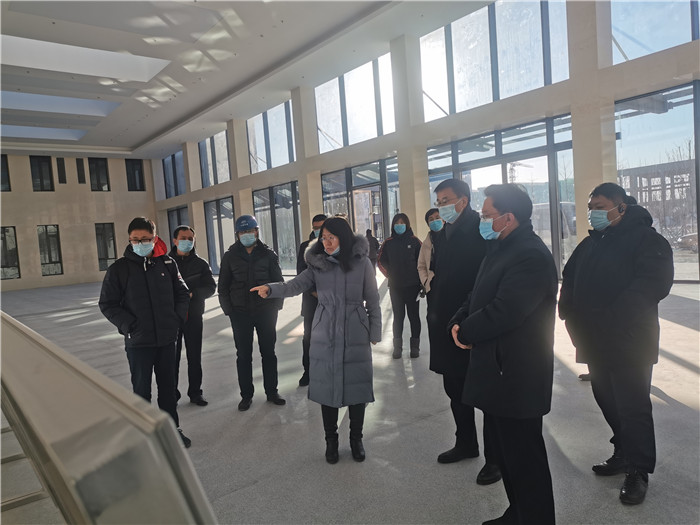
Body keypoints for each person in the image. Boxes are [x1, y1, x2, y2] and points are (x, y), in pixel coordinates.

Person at [559, 182, 673, 505]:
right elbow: (570, 276)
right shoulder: (591, 243)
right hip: (595, 340)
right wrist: (567, 311)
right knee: (606, 398)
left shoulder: (647, 240)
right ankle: (623, 451)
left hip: (630, 340)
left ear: (621, 207)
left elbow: (652, 284)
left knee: (633, 406)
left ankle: (638, 469)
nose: (593, 213)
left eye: (600, 207)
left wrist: (612, 317)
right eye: (590, 207)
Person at [450, 184, 558, 525]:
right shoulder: (500, 248)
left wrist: (466, 331)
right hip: (497, 370)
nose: (482, 220)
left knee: (525, 458)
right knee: (509, 455)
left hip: (517, 373)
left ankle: (536, 519)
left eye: (487, 215)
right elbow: (477, 294)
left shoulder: (530, 255)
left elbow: (506, 310)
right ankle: (518, 513)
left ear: (508, 218)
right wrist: (459, 319)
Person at [251, 217, 381, 464]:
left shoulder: (362, 262)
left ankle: (356, 439)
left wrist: (374, 332)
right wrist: (271, 288)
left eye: (332, 237)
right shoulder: (318, 265)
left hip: (355, 330)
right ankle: (331, 441)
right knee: (325, 387)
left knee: (358, 388)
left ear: (344, 237)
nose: (327, 243)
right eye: (323, 238)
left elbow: (373, 299)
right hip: (325, 330)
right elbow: (294, 285)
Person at [428, 179, 499, 486]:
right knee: (455, 387)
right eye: (438, 201)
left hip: (473, 321)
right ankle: (466, 442)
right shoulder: (443, 231)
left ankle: (496, 458)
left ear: (464, 200)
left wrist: (471, 318)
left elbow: (486, 279)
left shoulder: (480, 230)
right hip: (446, 321)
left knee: (486, 393)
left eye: (446, 200)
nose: (441, 207)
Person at [99, 217, 192, 448]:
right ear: (129, 240)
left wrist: (176, 319)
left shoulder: (167, 264)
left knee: (168, 389)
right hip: (138, 342)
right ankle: (145, 435)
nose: (140, 243)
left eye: (145, 239)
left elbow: (182, 293)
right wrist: (129, 326)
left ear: (155, 238)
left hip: (166, 339)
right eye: (135, 240)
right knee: (141, 391)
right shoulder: (119, 269)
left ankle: (172, 430)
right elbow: (107, 304)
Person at [218, 215, 286, 411]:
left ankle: (272, 392)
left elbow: (279, 282)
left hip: (266, 311)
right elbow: (223, 286)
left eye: (249, 231)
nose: (246, 235)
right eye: (242, 232)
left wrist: (276, 306)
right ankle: (246, 395)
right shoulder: (230, 256)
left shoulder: (268, 254)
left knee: (269, 353)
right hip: (240, 313)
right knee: (243, 355)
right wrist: (229, 311)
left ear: (256, 231)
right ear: (237, 234)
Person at [169, 225, 216, 406]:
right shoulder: (165, 262)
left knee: (194, 357)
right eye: (183, 238)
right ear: (175, 240)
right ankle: (171, 394)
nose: (187, 241)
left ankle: (196, 393)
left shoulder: (201, 264)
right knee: (171, 359)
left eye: (190, 238)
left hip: (194, 316)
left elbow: (210, 287)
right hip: (172, 317)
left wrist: (193, 294)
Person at [377, 213, 422, 358]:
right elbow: (380, 261)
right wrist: (390, 274)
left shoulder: (415, 241)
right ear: (393, 225)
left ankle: (415, 347)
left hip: (413, 286)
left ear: (407, 224)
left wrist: (421, 281)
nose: (399, 225)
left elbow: (422, 262)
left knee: (414, 316)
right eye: (397, 223)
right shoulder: (388, 243)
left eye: (402, 223)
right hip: (396, 287)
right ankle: (397, 347)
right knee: (398, 317)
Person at [296, 213, 327, 387]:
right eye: (315, 228)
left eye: (320, 228)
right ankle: (308, 372)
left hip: (331, 301)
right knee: (309, 338)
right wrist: (315, 292)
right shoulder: (304, 247)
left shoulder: (333, 245)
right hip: (311, 301)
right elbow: (301, 273)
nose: (317, 231)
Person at [416, 208, 443, 296]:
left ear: (443, 220)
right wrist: (426, 282)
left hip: (450, 286)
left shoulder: (451, 239)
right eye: (431, 219)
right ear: (428, 224)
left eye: (437, 218)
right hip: (432, 288)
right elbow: (421, 265)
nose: (434, 221)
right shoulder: (426, 243)